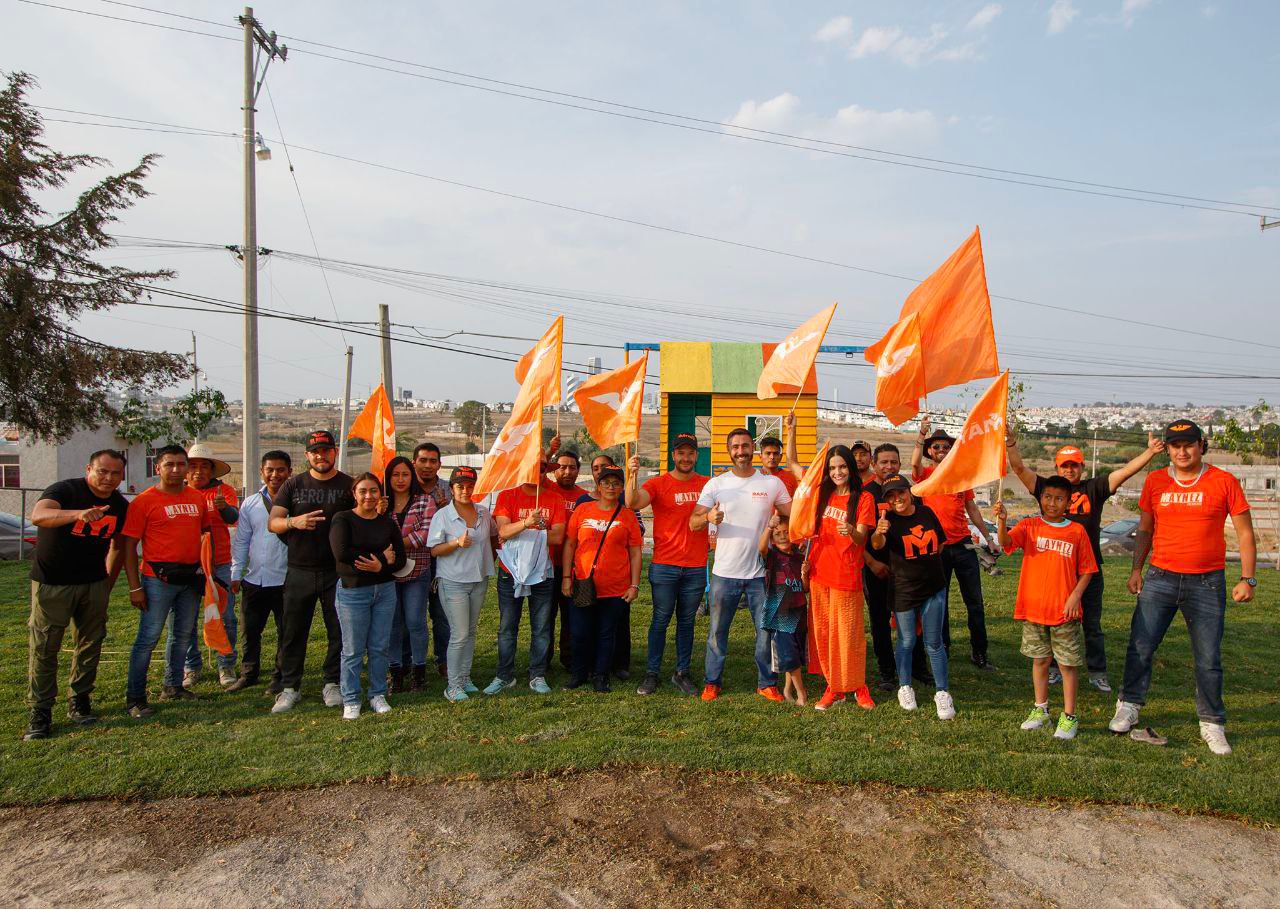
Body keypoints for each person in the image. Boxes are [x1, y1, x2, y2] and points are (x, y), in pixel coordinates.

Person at [1108, 419, 1257, 756]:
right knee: (1140, 647)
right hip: (1160, 577)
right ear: (1168, 450)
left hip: (1207, 581)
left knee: (1208, 657)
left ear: (1201, 446)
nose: (1182, 451)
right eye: (1175, 446)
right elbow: (1145, 529)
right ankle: (1128, 706)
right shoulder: (1156, 481)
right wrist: (1136, 569)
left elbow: (1245, 532)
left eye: (1189, 444)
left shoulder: (1224, 481)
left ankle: (1212, 723)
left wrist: (1248, 578)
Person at [1004, 430, 1165, 693]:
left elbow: (1124, 473)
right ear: (1057, 468)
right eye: (1064, 465)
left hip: (1087, 570)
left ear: (1081, 466)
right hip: (1056, 569)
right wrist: (1011, 444)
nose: (1069, 470)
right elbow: (1020, 468)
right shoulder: (1049, 489)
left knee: (1091, 624)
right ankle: (1055, 669)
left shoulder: (1095, 488)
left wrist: (1149, 452)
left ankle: (1097, 671)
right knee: (1053, 621)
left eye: (1074, 465)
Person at [24, 449, 129, 740]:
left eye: (115, 473)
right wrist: (77, 514)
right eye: (102, 471)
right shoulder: (65, 490)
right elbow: (38, 515)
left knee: (90, 644)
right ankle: (40, 711)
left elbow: (119, 546)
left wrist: (107, 582)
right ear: (89, 469)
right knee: (45, 647)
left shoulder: (119, 504)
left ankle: (80, 699)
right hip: (53, 584)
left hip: (93, 583)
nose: (108, 478)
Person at [691, 428, 792, 701]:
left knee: (765, 632)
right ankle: (712, 682)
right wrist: (708, 517)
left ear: (753, 449)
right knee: (716, 632)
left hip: (761, 573)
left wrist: (780, 526)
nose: (741, 451)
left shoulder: (771, 484)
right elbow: (693, 522)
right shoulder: (716, 484)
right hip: (724, 573)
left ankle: (766, 682)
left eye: (745, 446)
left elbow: (793, 514)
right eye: (735, 446)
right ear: (729, 450)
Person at [995, 476, 1097, 741]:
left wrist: (1075, 597)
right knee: (1040, 660)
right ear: (1041, 499)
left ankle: (1069, 716)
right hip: (1034, 609)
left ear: (1068, 502)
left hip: (1064, 611)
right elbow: (1006, 543)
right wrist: (1003, 520)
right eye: (1048, 497)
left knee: (1067, 664)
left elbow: (1087, 570)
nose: (1052, 503)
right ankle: (1040, 709)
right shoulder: (1029, 526)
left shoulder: (1076, 532)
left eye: (1059, 498)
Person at [784, 418, 875, 711]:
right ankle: (833, 687)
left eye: (842, 467)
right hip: (819, 572)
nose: (837, 472)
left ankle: (858, 686)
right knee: (823, 632)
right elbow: (793, 463)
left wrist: (853, 532)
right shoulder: (820, 494)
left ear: (851, 467)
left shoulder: (863, 498)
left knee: (848, 633)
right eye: (833, 468)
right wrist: (792, 430)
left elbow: (863, 538)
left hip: (846, 574)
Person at [120, 445, 211, 718]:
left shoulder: (196, 498)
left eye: (181, 464)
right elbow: (128, 547)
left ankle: (173, 686)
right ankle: (135, 697)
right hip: (156, 579)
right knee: (147, 639)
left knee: (182, 635)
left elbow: (205, 534)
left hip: (190, 578)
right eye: (169, 464)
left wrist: (206, 573)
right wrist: (135, 587)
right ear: (157, 468)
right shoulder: (144, 502)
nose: (175, 470)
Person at [267, 430, 353, 714]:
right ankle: (290, 687)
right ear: (307, 455)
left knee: (338, 631)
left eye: (326, 450)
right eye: (315, 451)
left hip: (337, 571)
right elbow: (274, 523)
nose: (321, 455)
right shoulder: (293, 484)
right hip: (299, 570)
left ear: (335, 452)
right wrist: (295, 521)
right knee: (293, 632)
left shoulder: (349, 485)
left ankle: (332, 683)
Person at [625, 433, 708, 697]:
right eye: (681, 453)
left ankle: (681, 672)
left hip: (695, 566)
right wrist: (631, 474)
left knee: (686, 622)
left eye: (690, 453)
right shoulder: (660, 484)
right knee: (660, 620)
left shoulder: (707, 484)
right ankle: (652, 673)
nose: (686, 458)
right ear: (673, 455)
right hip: (665, 565)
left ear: (696, 455)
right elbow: (632, 502)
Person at [911, 419, 998, 671]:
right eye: (936, 447)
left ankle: (979, 653)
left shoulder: (961, 475)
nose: (941, 450)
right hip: (936, 548)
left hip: (963, 546)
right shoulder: (925, 475)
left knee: (975, 601)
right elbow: (914, 463)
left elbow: (972, 508)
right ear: (930, 451)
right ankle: (943, 649)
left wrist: (989, 538)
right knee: (941, 602)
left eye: (945, 447)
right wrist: (921, 434)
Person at [869, 474, 955, 720]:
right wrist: (878, 532)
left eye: (901, 493)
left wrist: (925, 567)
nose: (898, 499)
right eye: (891, 496)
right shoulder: (887, 520)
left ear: (910, 491)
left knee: (934, 642)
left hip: (933, 587)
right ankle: (905, 687)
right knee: (906, 641)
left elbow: (940, 543)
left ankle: (942, 692)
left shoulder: (926, 513)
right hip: (904, 590)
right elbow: (876, 545)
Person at [329, 473, 406, 720]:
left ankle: (377, 694)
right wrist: (382, 558)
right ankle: (351, 699)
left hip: (384, 591)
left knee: (379, 647)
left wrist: (380, 567)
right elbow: (342, 553)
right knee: (352, 649)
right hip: (353, 592)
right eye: (363, 491)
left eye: (373, 491)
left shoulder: (387, 523)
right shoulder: (343, 519)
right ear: (355, 493)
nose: (368, 496)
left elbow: (401, 559)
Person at [561, 466, 643, 692]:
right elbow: (570, 544)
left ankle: (601, 676)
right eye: (606, 482)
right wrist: (566, 577)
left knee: (607, 634)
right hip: (583, 583)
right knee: (579, 632)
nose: (611, 487)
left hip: (615, 586)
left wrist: (634, 585)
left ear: (621, 488)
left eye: (616, 483)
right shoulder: (583, 510)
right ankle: (579, 674)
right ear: (598, 485)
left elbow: (635, 552)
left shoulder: (627, 515)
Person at [862, 443, 930, 691]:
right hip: (876, 568)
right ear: (874, 465)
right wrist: (872, 562)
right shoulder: (865, 493)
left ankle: (918, 668)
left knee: (914, 620)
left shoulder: (909, 491)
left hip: (908, 570)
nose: (888, 466)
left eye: (893, 462)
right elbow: (857, 537)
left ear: (899, 465)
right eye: (883, 462)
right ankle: (887, 672)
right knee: (879, 620)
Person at [490, 474, 566, 695]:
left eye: (542, 467)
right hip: (510, 571)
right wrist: (528, 523)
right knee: (507, 627)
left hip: (542, 571)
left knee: (541, 627)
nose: (536, 472)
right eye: (533, 467)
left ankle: (538, 674)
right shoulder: (507, 496)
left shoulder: (555, 498)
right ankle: (504, 675)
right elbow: (502, 532)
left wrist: (519, 531)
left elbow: (558, 536)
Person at [428, 467, 498, 702]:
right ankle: (453, 685)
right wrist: (456, 543)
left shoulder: (483, 513)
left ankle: (465, 678)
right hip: (453, 581)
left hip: (478, 579)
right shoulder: (443, 516)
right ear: (451, 489)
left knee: (470, 632)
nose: (465, 490)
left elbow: (494, 537)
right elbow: (435, 549)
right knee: (459, 634)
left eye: (469, 486)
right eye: (460, 486)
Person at [227, 450, 292, 693]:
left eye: (281, 470)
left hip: (286, 578)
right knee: (250, 630)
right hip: (254, 578)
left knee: (286, 631)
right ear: (262, 472)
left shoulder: (296, 502)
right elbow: (243, 540)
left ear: (289, 472)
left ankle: (280, 676)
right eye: (270, 470)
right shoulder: (251, 503)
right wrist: (236, 572)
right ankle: (249, 673)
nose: (275, 475)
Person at [179, 442, 240, 689]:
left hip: (220, 564)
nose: (198, 471)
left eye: (204, 466)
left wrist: (223, 509)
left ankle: (226, 663)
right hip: (186, 565)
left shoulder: (224, 491)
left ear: (212, 471)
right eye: (193, 466)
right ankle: (191, 667)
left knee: (225, 617)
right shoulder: (177, 493)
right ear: (185, 470)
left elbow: (233, 518)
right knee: (187, 617)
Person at [383, 455, 435, 693]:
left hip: (418, 570)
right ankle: (396, 671)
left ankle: (419, 671)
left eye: (405, 474)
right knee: (393, 623)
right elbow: (372, 533)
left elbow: (424, 536)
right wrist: (380, 514)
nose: (401, 479)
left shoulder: (425, 501)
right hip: (388, 572)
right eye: (396, 475)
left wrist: (393, 543)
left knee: (415, 621)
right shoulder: (381, 504)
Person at [546, 446, 588, 672]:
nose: (567, 472)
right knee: (545, 616)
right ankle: (543, 659)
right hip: (546, 565)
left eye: (572, 467)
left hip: (573, 567)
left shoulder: (584, 497)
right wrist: (550, 450)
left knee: (571, 618)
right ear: (554, 470)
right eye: (561, 467)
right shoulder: (546, 490)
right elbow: (535, 470)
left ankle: (570, 659)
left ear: (578, 471)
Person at [759, 515, 808, 706]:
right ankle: (801, 693)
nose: (782, 536)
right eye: (777, 534)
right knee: (788, 653)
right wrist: (769, 527)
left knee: (795, 653)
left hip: (799, 610)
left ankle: (787, 689)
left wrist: (805, 575)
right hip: (779, 613)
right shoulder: (772, 556)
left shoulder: (799, 556)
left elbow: (805, 588)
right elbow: (761, 548)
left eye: (786, 532)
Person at [412, 442, 451, 677]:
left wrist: (447, 508)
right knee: (411, 615)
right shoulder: (403, 484)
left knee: (442, 614)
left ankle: (444, 659)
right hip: (412, 558)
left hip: (441, 560)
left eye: (432, 461)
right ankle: (409, 660)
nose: (427, 465)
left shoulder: (448, 489)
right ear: (414, 461)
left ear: (439, 464)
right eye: (423, 460)